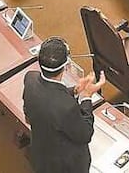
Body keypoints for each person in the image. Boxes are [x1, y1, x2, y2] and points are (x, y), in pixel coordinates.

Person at [22, 37, 104, 173]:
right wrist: (86, 98)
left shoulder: (30, 78)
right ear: (67, 66)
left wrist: (75, 90)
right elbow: (85, 134)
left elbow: (48, 96)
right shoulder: (67, 108)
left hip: (41, 154)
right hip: (65, 166)